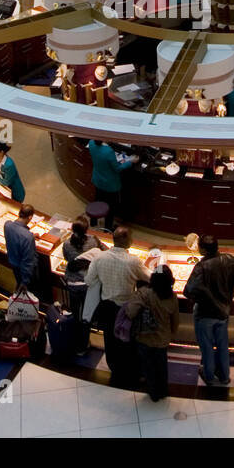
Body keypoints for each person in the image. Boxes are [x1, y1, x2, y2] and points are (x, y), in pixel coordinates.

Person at [84, 225, 148, 386]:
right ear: (126, 241)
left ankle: (115, 369)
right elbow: (150, 277)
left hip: (107, 306)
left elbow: (89, 280)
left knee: (110, 339)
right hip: (126, 308)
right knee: (128, 339)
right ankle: (131, 371)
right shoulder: (133, 261)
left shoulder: (100, 258)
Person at [184, 234, 234, 387]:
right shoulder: (230, 260)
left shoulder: (201, 267)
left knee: (206, 346)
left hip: (204, 314)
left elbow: (188, 291)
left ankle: (209, 376)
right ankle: (224, 376)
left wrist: (202, 295)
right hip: (224, 313)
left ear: (202, 250)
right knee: (222, 345)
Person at [126, 265, 180, 402]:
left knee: (148, 365)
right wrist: (171, 333)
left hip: (144, 338)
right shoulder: (172, 297)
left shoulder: (144, 293)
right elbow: (175, 321)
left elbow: (131, 312)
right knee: (161, 365)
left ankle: (153, 392)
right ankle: (163, 390)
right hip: (162, 338)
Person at [88, 137, 135, 230]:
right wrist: (130, 161)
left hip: (98, 179)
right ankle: (108, 228)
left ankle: (93, 222)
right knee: (110, 206)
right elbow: (117, 169)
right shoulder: (108, 151)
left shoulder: (92, 143)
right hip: (110, 184)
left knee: (97, 199)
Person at [4, 204, 39, 291]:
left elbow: (17, 235)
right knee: (29, 293)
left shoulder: (7, 225)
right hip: (26, 273)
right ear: (30, 217)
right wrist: (25, 282)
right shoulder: (28, 237)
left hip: (14, 266)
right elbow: (27, 261)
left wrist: (30, 235)